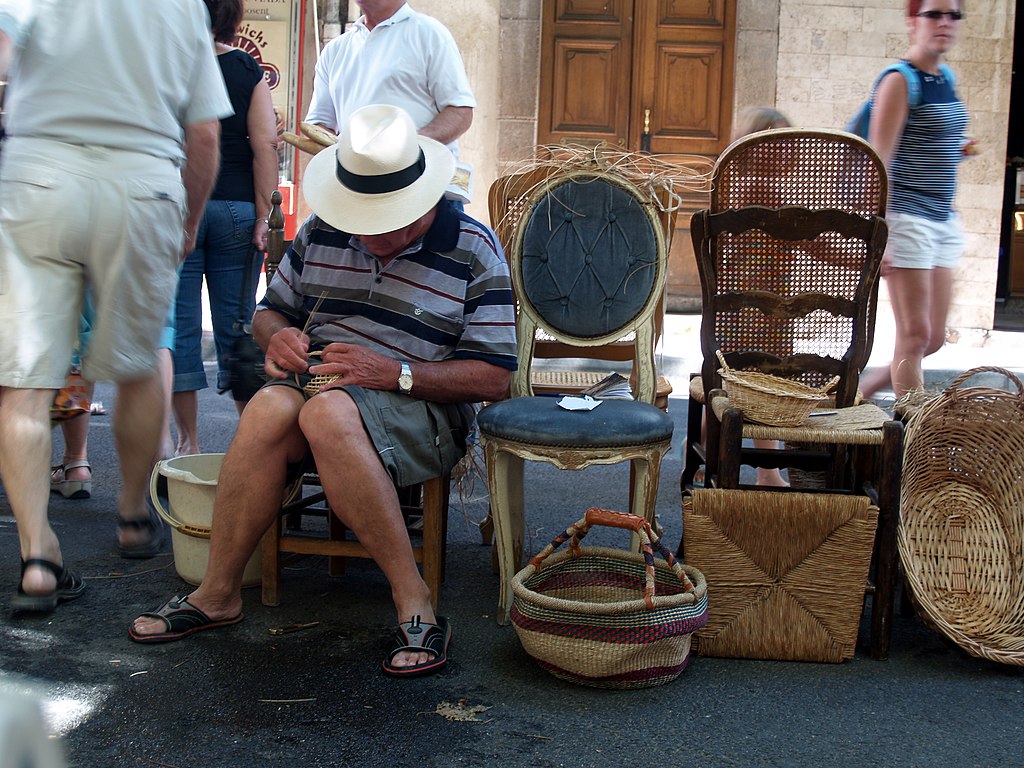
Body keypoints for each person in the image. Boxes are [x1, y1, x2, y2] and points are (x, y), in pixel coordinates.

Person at [129, 104, 518, 677]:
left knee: (328, 414)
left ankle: (416, 603)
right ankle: (217, 593)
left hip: (422, 408)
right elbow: (269, 314)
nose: (368, 233)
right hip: (318, 390)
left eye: (385, 219)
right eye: (360, 217)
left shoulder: (472, 247)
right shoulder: (325, 228)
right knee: (268, 407)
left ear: (420, 201)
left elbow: (493, 374)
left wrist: (395, 372)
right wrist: (279, 335)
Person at [0, 0, 230, 612]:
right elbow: (204, 132)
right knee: (135, 362)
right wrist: (189, 217)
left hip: (38, 176)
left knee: (22, 382)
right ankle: (132, 515)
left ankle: (39, 556)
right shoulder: (181, 7)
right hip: (140, 181)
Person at [171, 0, 280, 455]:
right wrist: (263, 215)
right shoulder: (246, 70)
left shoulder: (172, 64)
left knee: (179, 327)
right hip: (237, 208)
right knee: (238, 326)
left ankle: (188, 443)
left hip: (179, 207)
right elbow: (266, 146)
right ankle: (250, 442)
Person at [859, 0, 969, 399]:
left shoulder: (944, 77)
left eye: (954, 15)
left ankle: (857, 393)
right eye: (934, 14)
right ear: (912, 21)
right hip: (908, 217)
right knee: (915, 335)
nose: (945, 22)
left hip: (942, 218)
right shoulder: (899, 81)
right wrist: (879, 232)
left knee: (933, 337)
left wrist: (956, 147)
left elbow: (932, 140)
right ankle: (910, 442)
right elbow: (879, 162)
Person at [303, 0, 475, 201]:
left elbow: (460, 112)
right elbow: (318, 125)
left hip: (423, 188)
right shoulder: (335, 50)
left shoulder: (428, 33)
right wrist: (357, 156)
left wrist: (405, 145)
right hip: (358, 192)